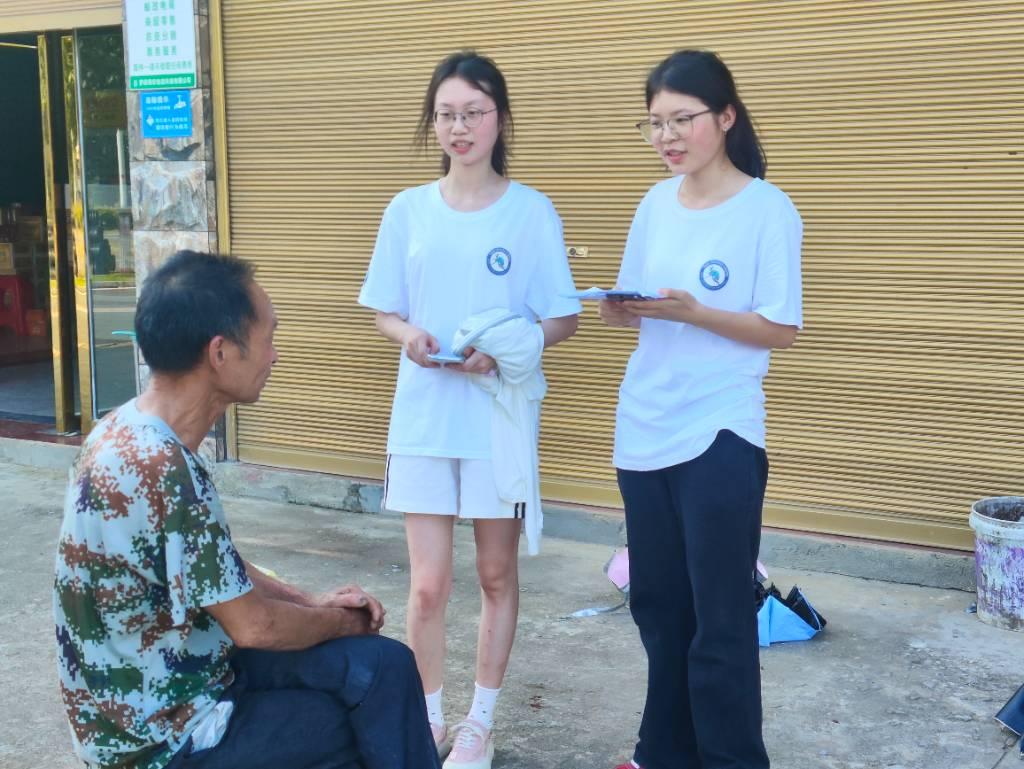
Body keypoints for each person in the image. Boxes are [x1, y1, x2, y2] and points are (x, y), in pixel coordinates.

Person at [53, 250, 440, 769]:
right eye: (267, 338)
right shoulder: (161, 467)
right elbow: (256, 628)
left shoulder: (122, 428)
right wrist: (337, 622)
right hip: (163, 741)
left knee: (385, 668)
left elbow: (212, 567)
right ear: (220, 353)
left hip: (177, 682)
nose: (275, 355)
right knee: (365, 719)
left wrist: (309, 601)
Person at [358, 50, 580, 769]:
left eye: (474, 112)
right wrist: (410, 337)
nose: (460, 126)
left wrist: (510, 345)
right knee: (427, 584)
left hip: (496, 416)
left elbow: (563, 318)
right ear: (434, 121)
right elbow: (383, 309)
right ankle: (426, 724)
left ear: (500, 120)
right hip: (423, 414)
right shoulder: (407, 209)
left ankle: (478, 724)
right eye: (448, 113)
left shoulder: (532, 210)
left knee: (494, 574)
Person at [599, 49, 803, 769]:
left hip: (721, 430)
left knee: (720, 620)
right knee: (658, 607)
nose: (667, 136)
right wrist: (623, 309)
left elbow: (779, 326)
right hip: (644, 427)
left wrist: (696, 312)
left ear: (725, 116)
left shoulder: (766, 209)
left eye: (681, 119)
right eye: (653, 123)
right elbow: (637, 309)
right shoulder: (655, 203)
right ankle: (662, 753)